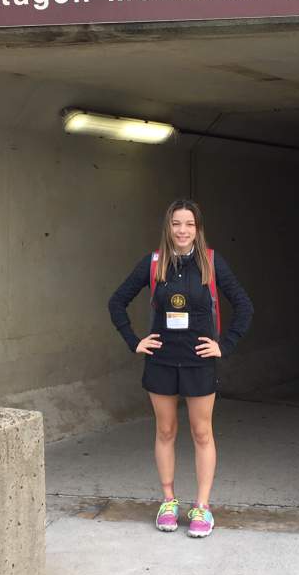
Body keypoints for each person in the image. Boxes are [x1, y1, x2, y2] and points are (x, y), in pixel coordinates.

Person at [107, 199, 253, 538]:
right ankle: (169, 501)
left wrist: (224, 345)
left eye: (189, 224)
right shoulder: (153, 264)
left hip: (199, 361)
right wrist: (135, 341)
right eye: (176, 224)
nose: (182, 230)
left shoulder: (213, 264)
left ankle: (201, 507)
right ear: (168, 228)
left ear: (198, 229)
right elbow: (116, 301)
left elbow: (245, 306)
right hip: (160, 360)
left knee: (202, 433)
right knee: (165, 431)